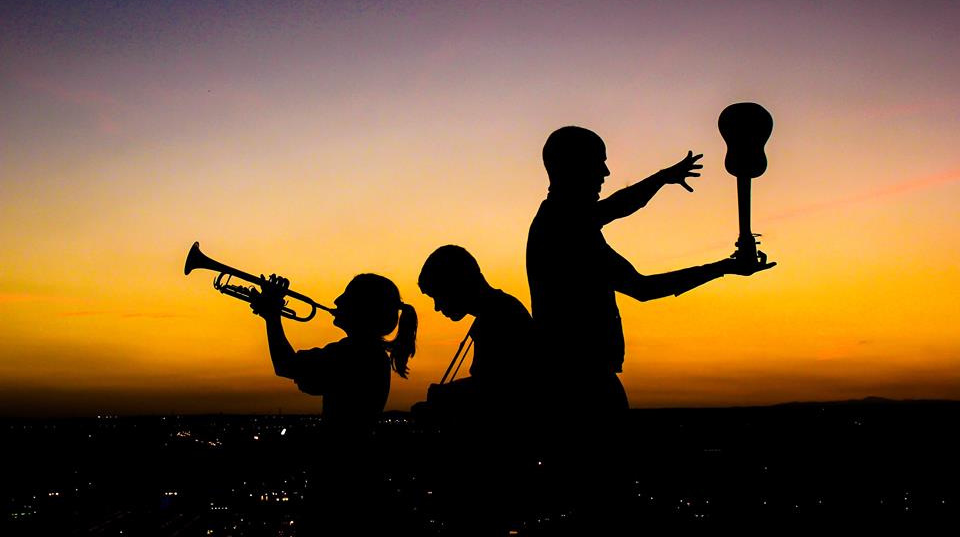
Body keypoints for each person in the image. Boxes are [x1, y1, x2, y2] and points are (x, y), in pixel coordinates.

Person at [526, 126, 775, 419]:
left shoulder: (565, 224)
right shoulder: (564, 228)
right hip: (579, 387)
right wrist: (725, 267)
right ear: (571, 167)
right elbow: (643, 288)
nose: (605, 173)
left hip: (574, 381)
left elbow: (617, 209)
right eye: (598, 162)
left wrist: (662, 179)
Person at [250, 272, 418, 431]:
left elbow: (285, 365)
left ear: (363, 308)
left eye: (347, 297)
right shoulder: (369, 352)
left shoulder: (354, 353)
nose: (337, 300)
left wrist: (272, 316)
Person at [416, 245, 537, 417]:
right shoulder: (496, 312)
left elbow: (500, 389)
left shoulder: (500, 316)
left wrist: (446, 396)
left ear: (457, 283)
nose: (436, 307)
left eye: (438, 295)